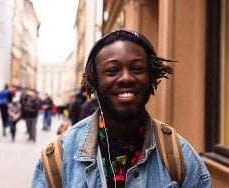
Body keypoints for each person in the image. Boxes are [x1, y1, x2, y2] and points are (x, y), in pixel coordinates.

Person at [31, 30, 211, 187]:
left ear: (151, 77)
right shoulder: (58, 160)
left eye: (137, 68)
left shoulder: (179, 157)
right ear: (94, 81)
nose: (126, 78)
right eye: (112, 70)